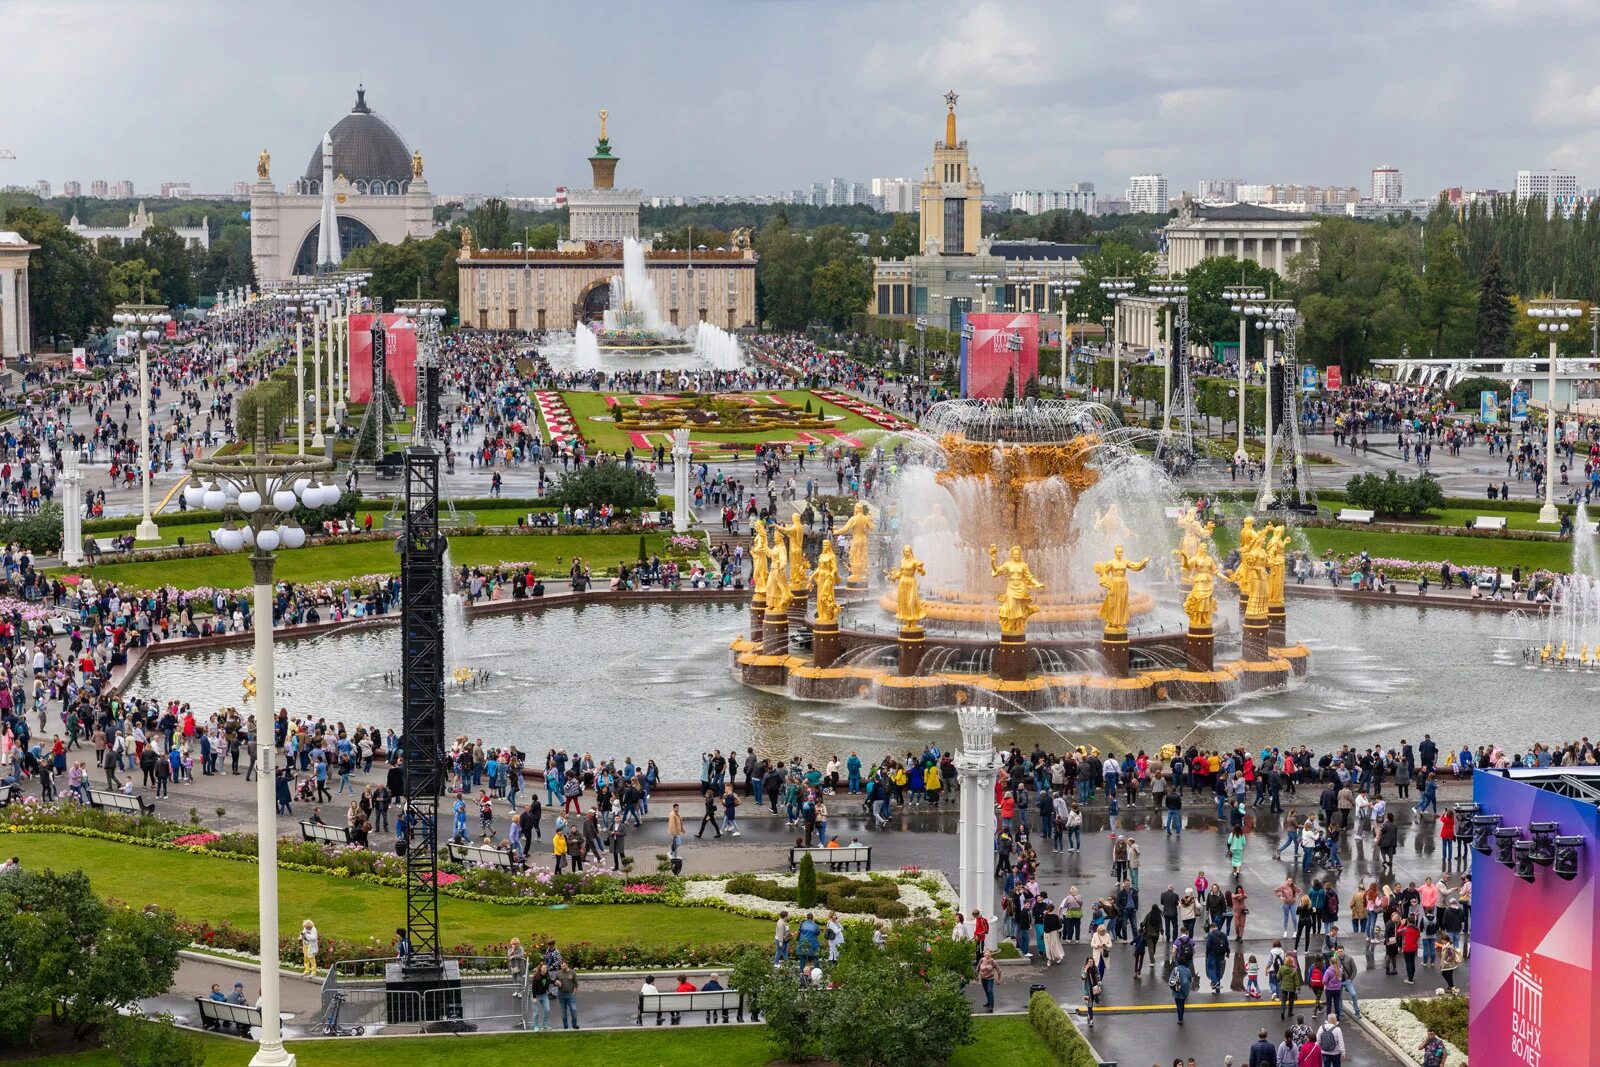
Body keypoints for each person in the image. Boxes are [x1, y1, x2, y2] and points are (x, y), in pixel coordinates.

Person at [1277, 951, 1302, 1019]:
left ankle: (1282, 1011)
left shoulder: (1282, 968)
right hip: (1291, 988)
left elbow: (1278, 977)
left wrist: (1281, 979)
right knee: (1291, 1000)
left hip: (1284, 986)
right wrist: (1298, 988)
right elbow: (1297, 981)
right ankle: (1290, 1013)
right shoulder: (1294, 970)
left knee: (1283, 1000)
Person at [554, 961, 579, 1029]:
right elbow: (554, 982)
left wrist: (574, 993)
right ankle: (565, 1026)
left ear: (567, 965)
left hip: (570, 995)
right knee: (563, 1012)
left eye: (564, 966)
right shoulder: (558, 973)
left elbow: (576, 984)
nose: (563, 967)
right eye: (561, 966)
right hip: (561, 995)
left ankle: (574, 1024)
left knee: (573, 1010)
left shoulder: (572, 972)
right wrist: (556, 983)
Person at [1168, 958, 1193, 1024]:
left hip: (1177, 988)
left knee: (1178, 1004)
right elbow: (1190, 980)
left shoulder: (1175, 969)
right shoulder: (1188, 970)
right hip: (1185, 989)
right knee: (1182, 1003)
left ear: (1178, 962)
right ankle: (1182, 1016)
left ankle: (1180, 1019)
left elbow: (1170, 979)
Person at [1080, 954, 1100, 1025]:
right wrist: (1086, 969)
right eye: (1089, 962)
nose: (1091, 963)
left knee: (1092, 1003)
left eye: (1092, 962)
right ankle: (1091, 1019)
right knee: (1089, 1005)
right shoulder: (1084, 968)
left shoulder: (1095, 968)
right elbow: (1083, 977)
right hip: (1087, 990)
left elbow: (1098, 978)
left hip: (1094, 989)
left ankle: (1089, 1013)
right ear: (1087, 962)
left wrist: (1099, 987)